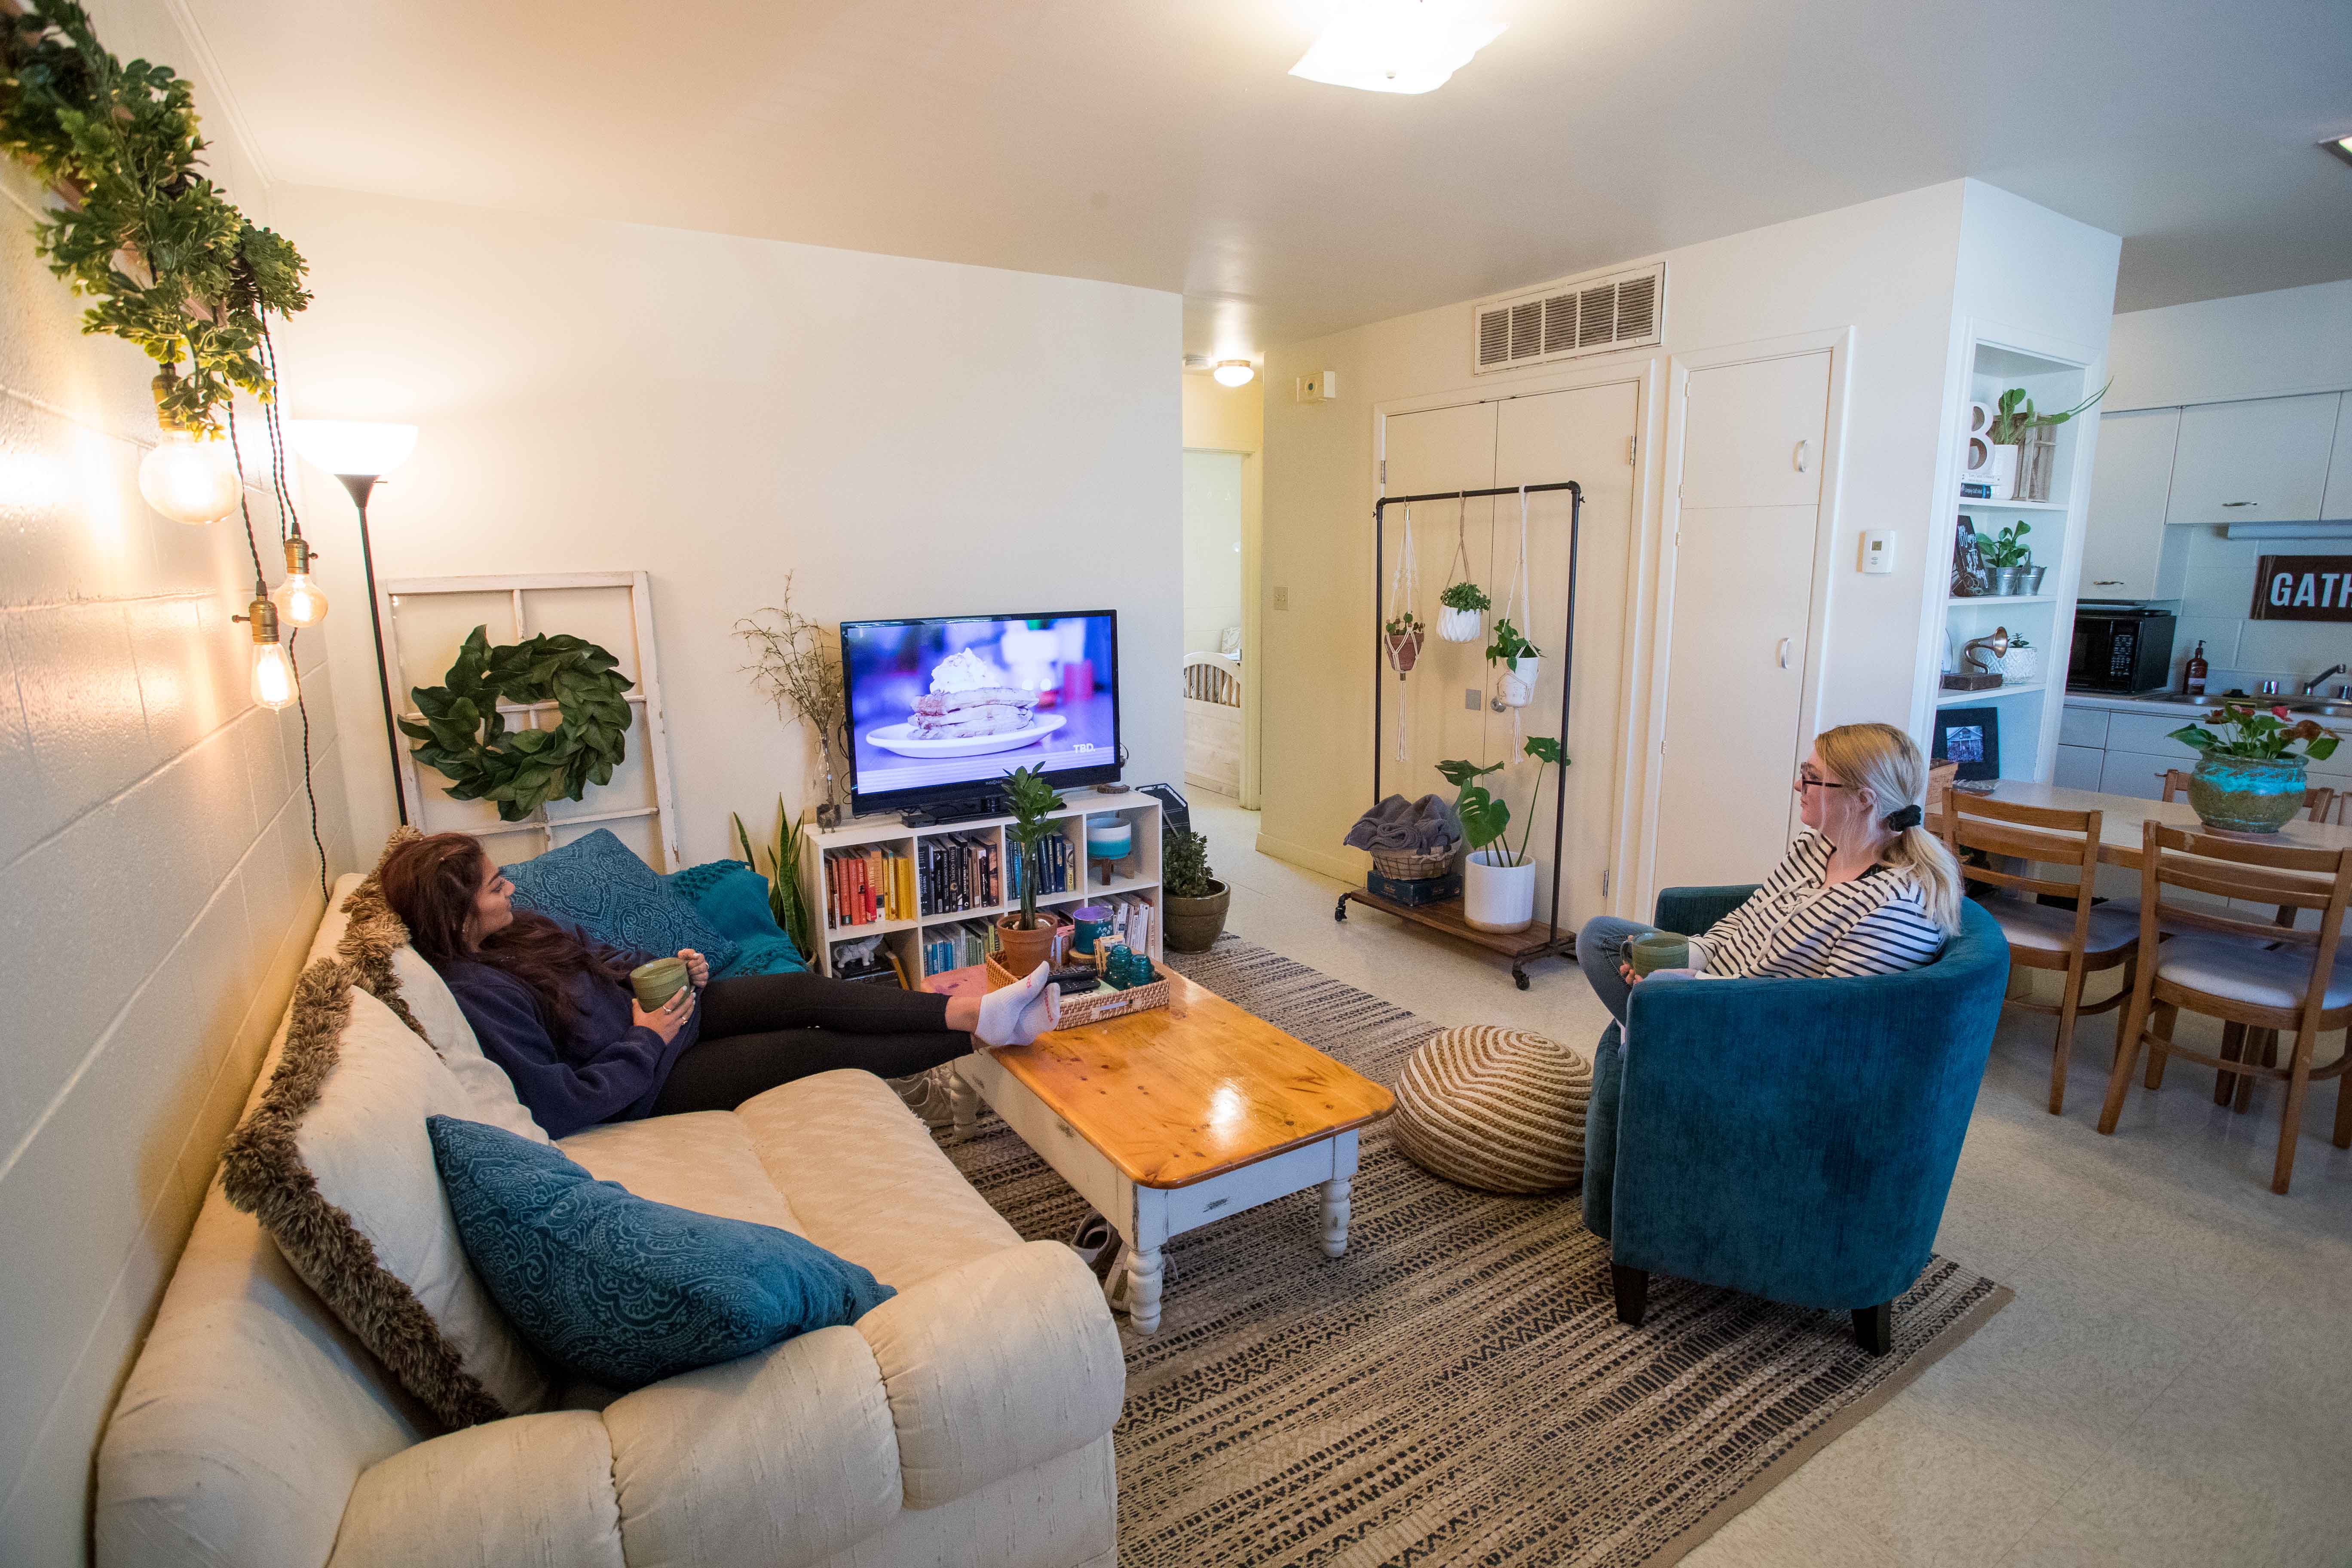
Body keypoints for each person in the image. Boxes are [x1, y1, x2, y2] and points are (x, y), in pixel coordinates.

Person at [379, 832, 1059, 1139]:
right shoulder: (476, 995)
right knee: (808, 1048)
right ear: (456, 912)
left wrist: (672, 968)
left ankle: (979, 1011)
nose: (510, 888)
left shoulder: (514, 930)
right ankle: (982, 1036)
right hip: (647, 1083)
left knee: (804, 992)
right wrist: (646, 1040)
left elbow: (600, 958)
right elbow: (559, 1105)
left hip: (669, 1019)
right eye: (494, 887)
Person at [1578, 722, 1963, 1024]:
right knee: (1601, 936)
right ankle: (1647, 1040)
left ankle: (1651, 1047)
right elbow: (1744, 921)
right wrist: (1691, 956)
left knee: (1651, 989)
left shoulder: (1893, 908)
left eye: (1811, 776)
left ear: (1863, 800)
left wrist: (1687, 985)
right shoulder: (1815, 847)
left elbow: (1827, 1019)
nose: (1798, 785)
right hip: (1715, 982)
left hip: (1753, 1022)